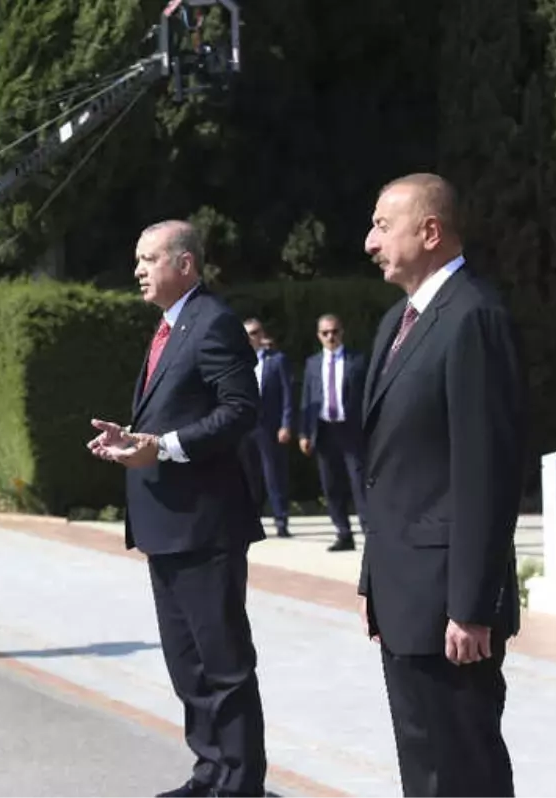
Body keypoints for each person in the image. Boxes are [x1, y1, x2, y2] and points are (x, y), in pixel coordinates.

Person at [88, 220, 267, 798]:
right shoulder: (170, 325)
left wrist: (163, 446)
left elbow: (241, 409)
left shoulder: (212, 322)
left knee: (223, 664)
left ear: (185, 264)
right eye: (137, 259)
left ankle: (240, 783)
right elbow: (172, 412)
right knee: (187, 665)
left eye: (148, 258)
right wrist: (133, 437)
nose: (137, 269)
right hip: (166, 525)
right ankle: (210, 770)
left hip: (206, 526)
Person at [359, 173, 523, 798]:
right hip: (405, 596)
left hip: (449, 607)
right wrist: (375, 579)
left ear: (430, 232)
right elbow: (391, 465)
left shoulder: (472, 317)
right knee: (424, 765)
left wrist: (471, 606)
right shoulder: (395, 324)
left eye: (382, 225)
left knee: (463, 770)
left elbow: (485, 471)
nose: (370, 241)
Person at [297, 314, 369, 551]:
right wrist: (304, 433)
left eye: (335, 331)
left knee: (359, 483)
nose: (331, 336)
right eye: (325, 333)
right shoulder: (312, 363)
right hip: (324, 431)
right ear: (319, 336)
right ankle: (343, 533)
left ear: (342, 332)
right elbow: (307, 398)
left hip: (351, 430)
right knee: (331, 485)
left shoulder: (357, 361)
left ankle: (371, 533)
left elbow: (368, 397)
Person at [240, 318, 293, 537]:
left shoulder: (277, 360)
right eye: (248, 334)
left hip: (269, 426)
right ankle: (252, 520)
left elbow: (288, 394)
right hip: (244, 427)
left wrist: (286, 424)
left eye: (255, 332)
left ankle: (281, 520)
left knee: (273, 474)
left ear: (262, 334)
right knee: (248, 475)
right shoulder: (238, 362)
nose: (252, 337)